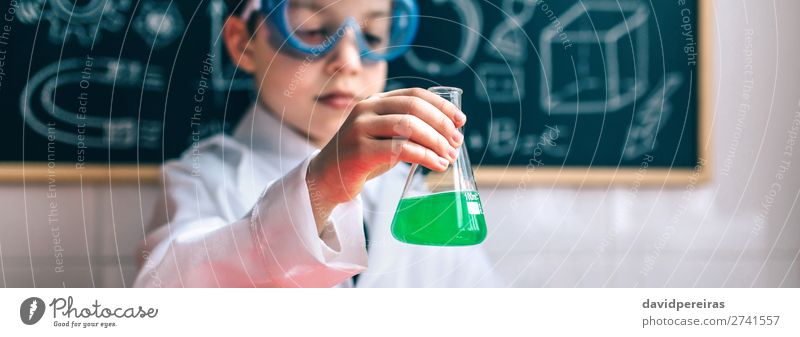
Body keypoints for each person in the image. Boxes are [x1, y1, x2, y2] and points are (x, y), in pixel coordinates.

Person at [133, 0, 499, 287]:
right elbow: (166, 297)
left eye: (372, 36)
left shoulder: (413, 192)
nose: (349, 62)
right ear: (243, 42)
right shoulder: (205, 180)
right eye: (314, 30)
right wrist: (321, 188)